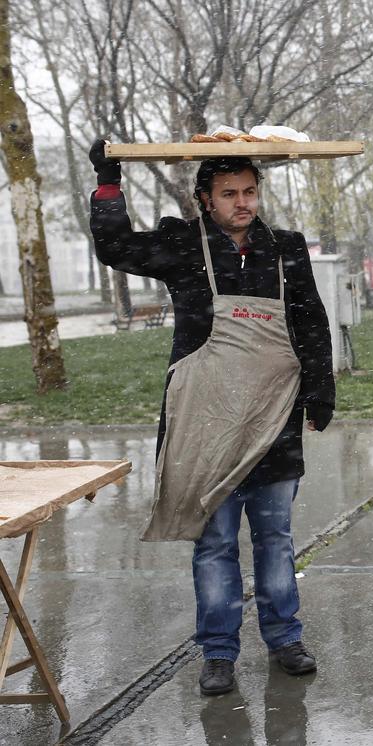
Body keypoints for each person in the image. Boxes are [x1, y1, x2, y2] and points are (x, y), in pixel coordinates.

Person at [88, 141, 335, 696]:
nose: (242, 203)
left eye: (249, 192)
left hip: (274, 416)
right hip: (205, 420)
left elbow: (310, 321)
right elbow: (115, 247)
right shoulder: (182, 246)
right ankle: (219, 652)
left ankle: (285, 639)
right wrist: (108, 185)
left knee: (275, 538)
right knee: (216, 542)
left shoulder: (285, 248)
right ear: (205, 199)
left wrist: (320, 391)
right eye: (229, 194)